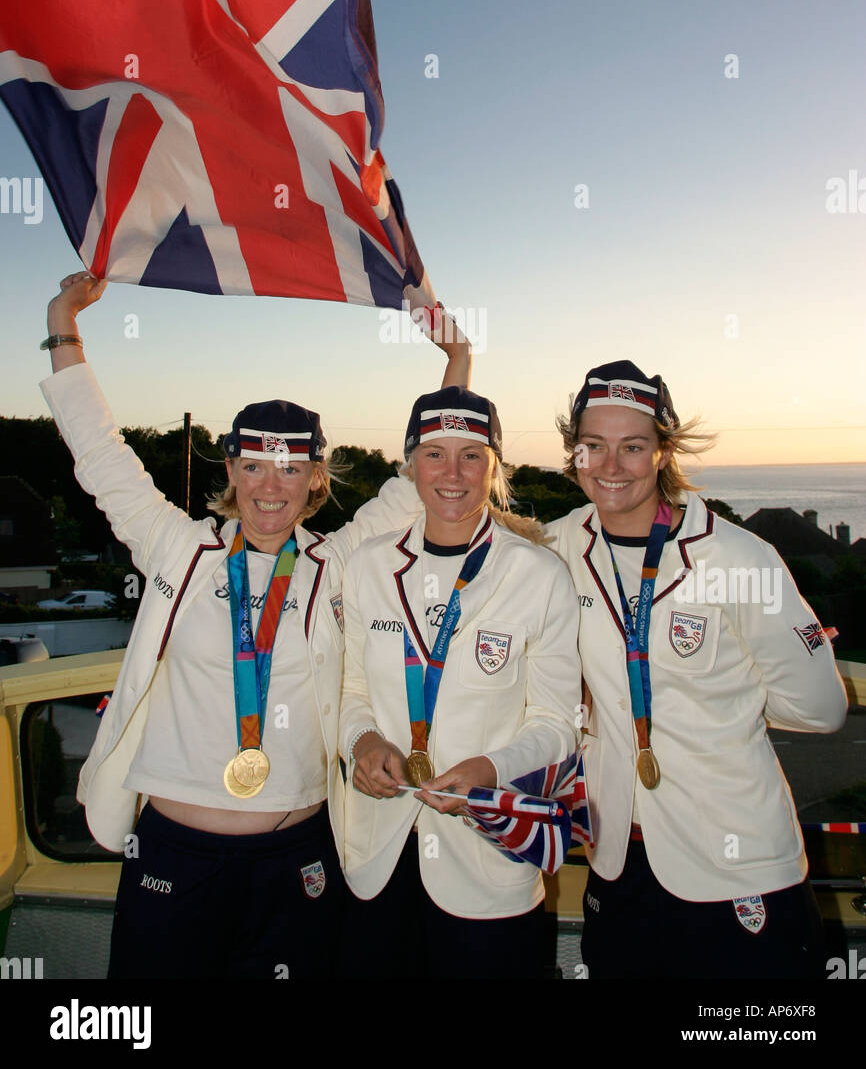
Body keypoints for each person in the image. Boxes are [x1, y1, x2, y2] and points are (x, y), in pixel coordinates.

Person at [40, 272, 465, 979]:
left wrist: (458, 365)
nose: (272, 485)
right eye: (255, 466)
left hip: (296, 860)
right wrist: (64, 321)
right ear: (231, 471)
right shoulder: (179, 546)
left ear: (314, 480)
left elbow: (414, 485)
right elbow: (101, 455)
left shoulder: (336, 560)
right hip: (174, 858)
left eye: (292, 469)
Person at [548, 359, 849, 979]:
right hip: (616, 861)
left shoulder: (741, 556)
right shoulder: (553, 550)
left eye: (632, 446)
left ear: (664, 451)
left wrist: (730, 694)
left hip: (738, 867)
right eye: (592, 447)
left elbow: (822, 710)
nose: (609, 466)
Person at [338, 386, 580, 979]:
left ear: (495, 467)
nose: (452, 473)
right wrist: (362, 743)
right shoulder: (367, 565)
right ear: (409, 465)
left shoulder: (539, 574)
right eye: (434, 454)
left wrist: (489, 770)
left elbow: (557, 725)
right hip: (376, 861)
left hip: (488, 865)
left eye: (471, 455)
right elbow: (348, 694)